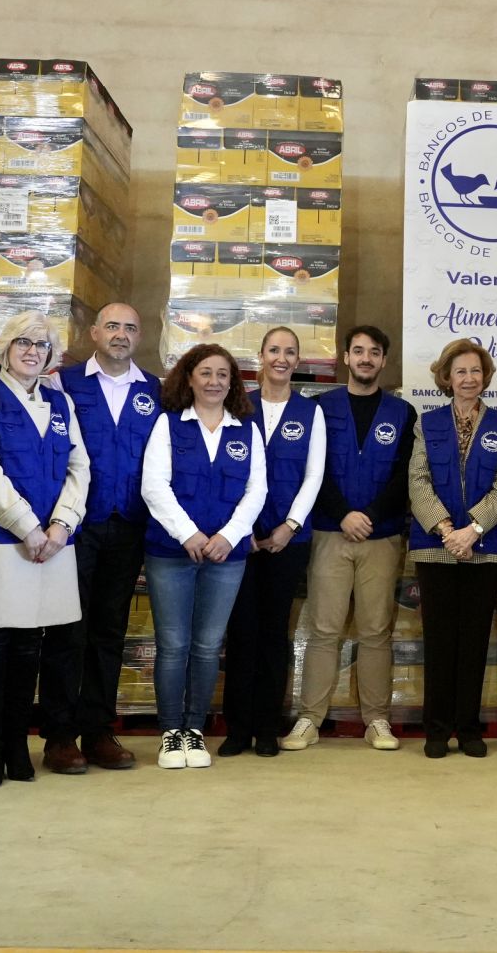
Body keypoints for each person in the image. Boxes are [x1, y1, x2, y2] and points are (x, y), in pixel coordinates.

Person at [0, 313, 90, 788]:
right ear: (6, 348)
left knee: (32, 644)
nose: (33, 351)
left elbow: (79, 467)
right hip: (2, 540)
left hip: (53, 544)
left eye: (42, 345)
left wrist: (60, 525)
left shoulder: (60, 402)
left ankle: (18, 745)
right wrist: (28, 527)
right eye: (23, 343)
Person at [284, 325, 415, 752]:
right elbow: (312, 470)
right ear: (345, 357)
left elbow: (405, 476)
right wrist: (344, 514)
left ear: (383, 360)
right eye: (357, 351)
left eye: (373, 352)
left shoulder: (402, 413)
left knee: (377, 631)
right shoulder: (320, 408)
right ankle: (310, 718)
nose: (365, 359)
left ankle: (377, 720)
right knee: (324, 630)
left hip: (381, 535)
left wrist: (371, 516)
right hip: (329, 532)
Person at [140, 342, 267, 770]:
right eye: (206, 373)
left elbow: (257, 491)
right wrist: (188, 533)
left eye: (223, 375)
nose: (214, 382)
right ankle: (170, 732)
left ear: (233, 383)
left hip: (225, 557)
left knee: (209, 646)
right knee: (173, 645)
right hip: (170, 552)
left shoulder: (246, 429)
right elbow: (154, 485)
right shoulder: (168, 424)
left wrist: (229, 536)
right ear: (189, 378)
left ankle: (195, 729)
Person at [52, 302, 162, 773]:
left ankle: (98, 732)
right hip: (77, 525)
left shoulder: (154, 390)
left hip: (129, 525)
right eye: (112, 326)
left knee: (109, 631)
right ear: (94, 332)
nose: (120, 334)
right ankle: (59, 736)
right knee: (66, 631)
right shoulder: (65, 383)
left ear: (141, 337)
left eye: (130, 328)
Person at [408, 339, 497, 758]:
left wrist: (471, 531)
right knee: (438, 640)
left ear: (485, 377)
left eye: (475, 371)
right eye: (460, 372)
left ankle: (469, 728)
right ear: (446, 378)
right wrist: (445, 529)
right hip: (435, 547)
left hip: (483, 548)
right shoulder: (426, 423)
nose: (468, 378)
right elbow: (417, 481)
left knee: (474, 641)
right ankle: (436, 729)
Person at [220, 327, 326, 756]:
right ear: (260, 356)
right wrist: (237, 530)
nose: (281, 358)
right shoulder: (236, 404)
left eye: (290, 352)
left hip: (287, 540)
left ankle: (267, 727)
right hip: (240, 539)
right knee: (240, 631)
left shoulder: (310, 412)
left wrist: (291, 525)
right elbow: (224, 468)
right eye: (274, 350)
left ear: (297, 361)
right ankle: (237, 729)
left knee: (273, 632)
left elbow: (313, 475)